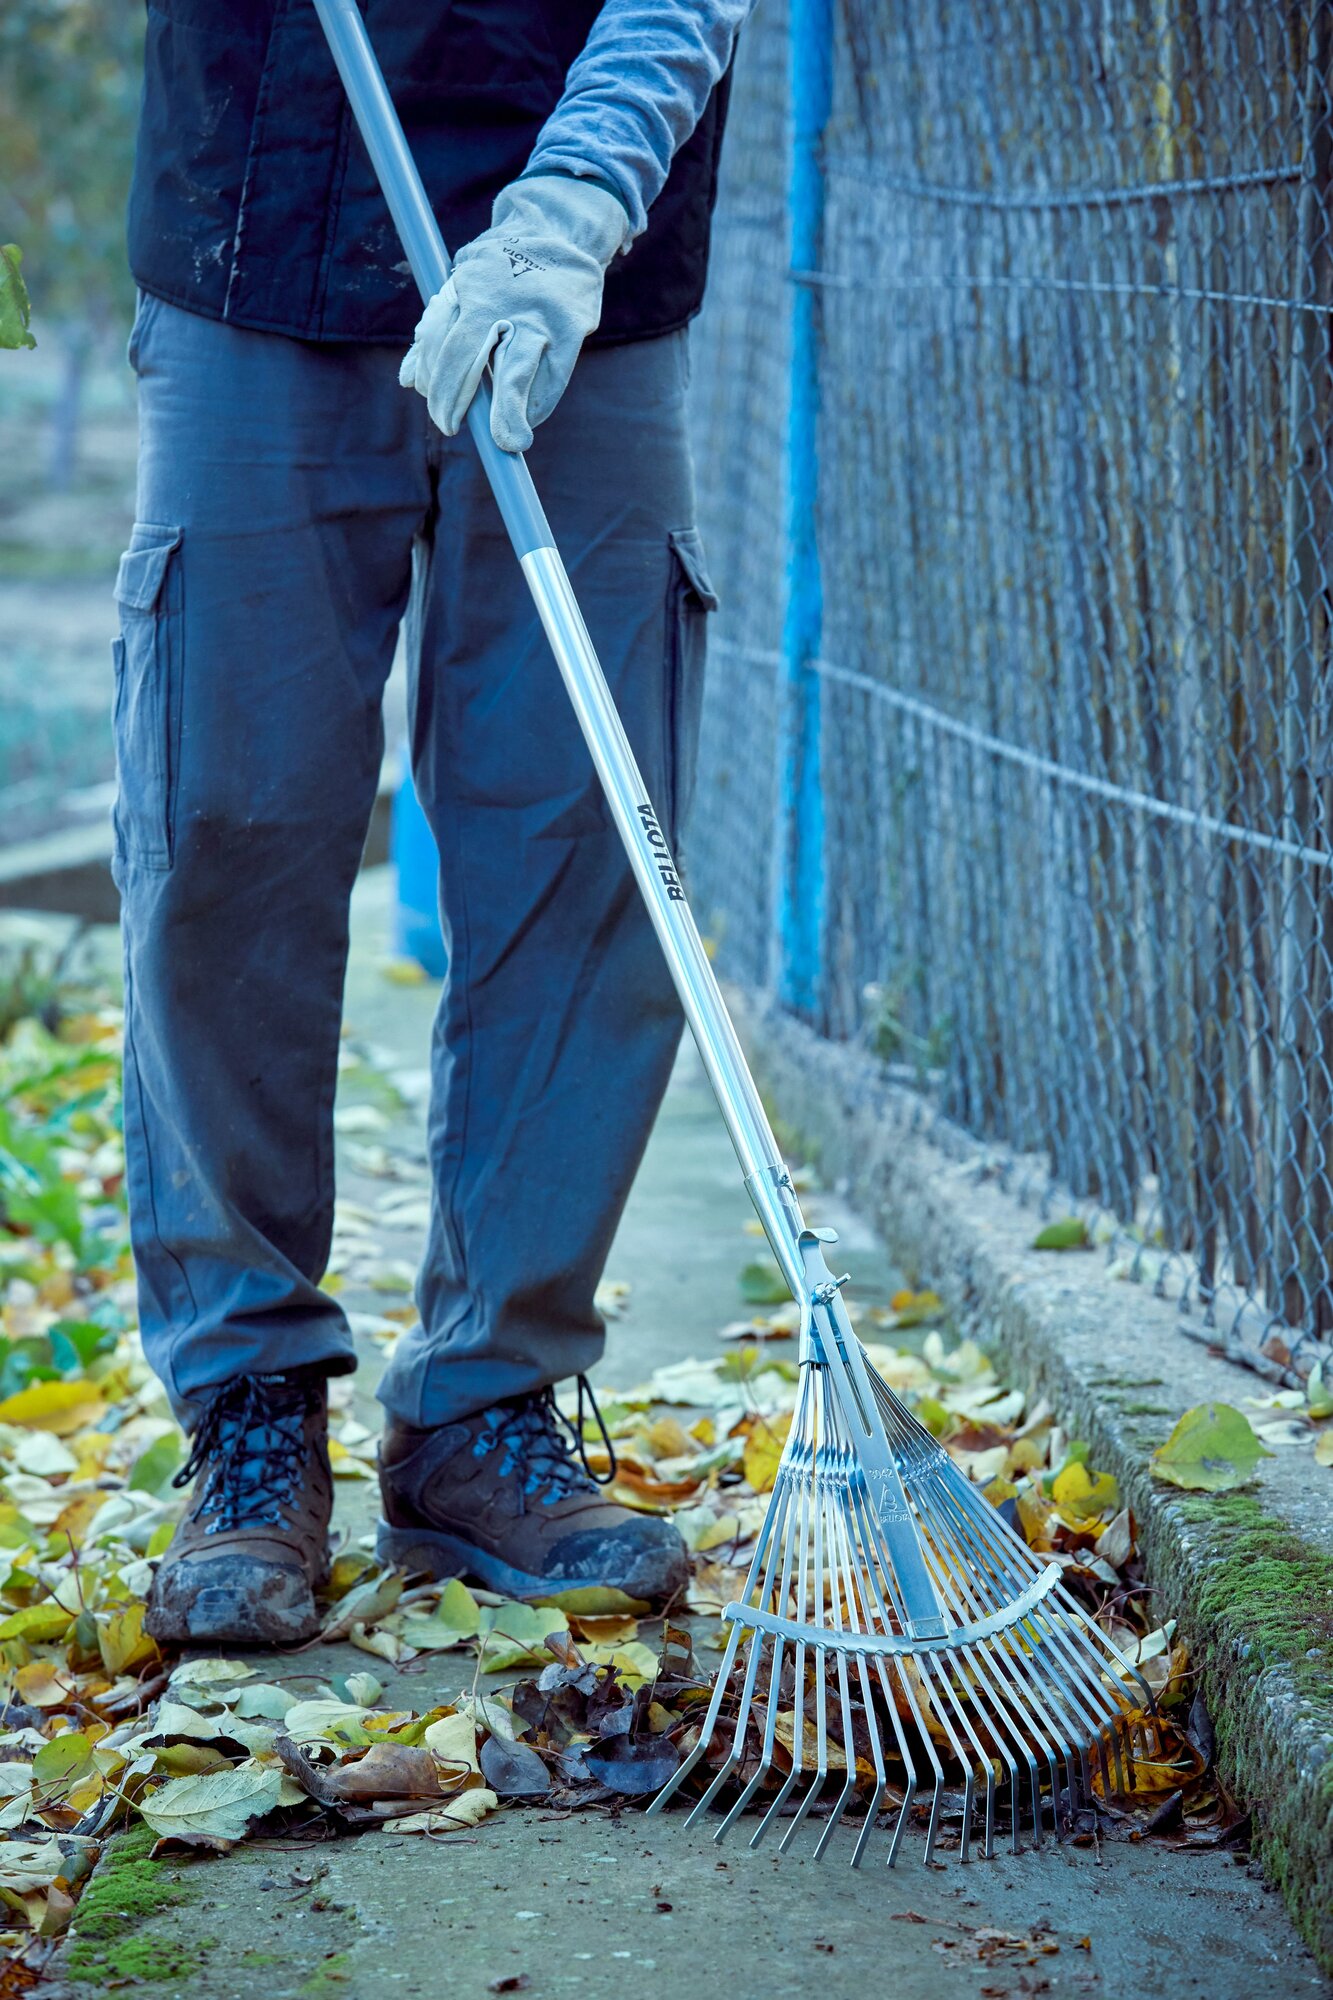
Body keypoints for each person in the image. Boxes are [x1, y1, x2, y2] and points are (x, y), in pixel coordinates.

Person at [115, 0, 749, 1645]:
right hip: (260, 226)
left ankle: (484, 1407)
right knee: (222, 831)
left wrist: (564, 220)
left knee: (581, 844)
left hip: (585, 282)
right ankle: (247, 1411)